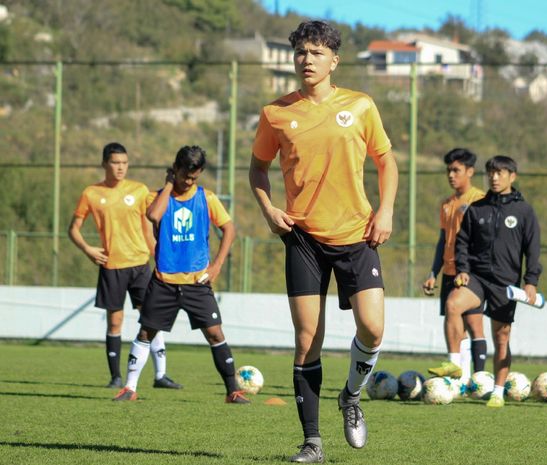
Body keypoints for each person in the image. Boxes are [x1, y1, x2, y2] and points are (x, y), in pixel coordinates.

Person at [249, 20, 398, 463]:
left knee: (372, 328)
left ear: (334, 60)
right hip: (302, 238)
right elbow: (257, 169)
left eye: (316, 53)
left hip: (357, 234)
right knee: (307, 337)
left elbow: (386, 162)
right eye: (301, 52)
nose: (306, 60)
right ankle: (312, 441)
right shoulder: (275, 113)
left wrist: (385, 210)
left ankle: (351, 396)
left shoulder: (361, 105)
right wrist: (269, 208)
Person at [113, 145, 249, 404]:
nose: (188, 182)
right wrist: (167, 186)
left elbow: (229, 229)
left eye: (194, 177)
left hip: (197, 282)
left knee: (215, 334)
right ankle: (129, 388)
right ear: (175, 170)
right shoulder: (158, 197)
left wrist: (217, 265)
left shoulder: (206, 197)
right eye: (185, 175)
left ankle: (233, 391)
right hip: (164, 282)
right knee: (146, 333)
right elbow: (153, 215)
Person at [68, 142, 181, 390]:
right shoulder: (91, 193)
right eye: (115, 163)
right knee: (115, 322)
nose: (121, 168)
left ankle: (160, 375)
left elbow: (147, 228)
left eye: (124, 163)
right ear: (104, 164)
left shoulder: (139, 190)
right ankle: (115, 377)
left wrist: (159, 258)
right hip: (112, 266)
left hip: (140, 264)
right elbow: (73, 229)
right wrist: (88, 249)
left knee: (151, 319)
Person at [452, 155, 542, 408]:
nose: (494, 177)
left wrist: (531, 281)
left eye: (500, 173)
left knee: (501, 338)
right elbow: (462, 243)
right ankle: (455, 367)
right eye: (491, 172)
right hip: (477, 278)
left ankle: (498, 391)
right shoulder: (477, 207)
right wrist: (463, 269)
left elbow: (532, 249)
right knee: (453, 304)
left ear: (512, 177)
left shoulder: (524, 211)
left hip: (506, 284)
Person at [424, 148, 486, 380]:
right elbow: (443, 241)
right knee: (468, 324)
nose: (451, 175)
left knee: (458, 311)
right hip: (450, 272)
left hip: (470, 273)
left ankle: (463, 372)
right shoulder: (447, 204)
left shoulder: (478, 200)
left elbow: (481, 241)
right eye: (449, 170)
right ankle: (474, 381)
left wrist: (466, 269)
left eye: (456, 170)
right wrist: (433, 272)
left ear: (470, 171)